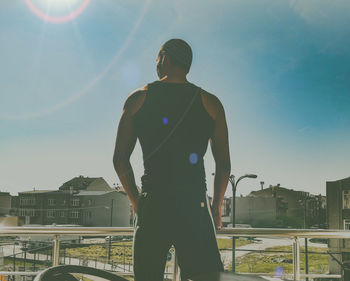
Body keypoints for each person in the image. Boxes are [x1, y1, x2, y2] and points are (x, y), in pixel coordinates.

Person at [113, 39, 231, 281]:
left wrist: (137, 202)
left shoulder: (138, 99)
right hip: (194, 205)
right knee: (207, 278)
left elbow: (119, 159)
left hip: (153, 204)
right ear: (187, 65)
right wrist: (216, 205)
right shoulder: (211, 103)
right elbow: (224, 164)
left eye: (157, 60)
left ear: (164, 58)